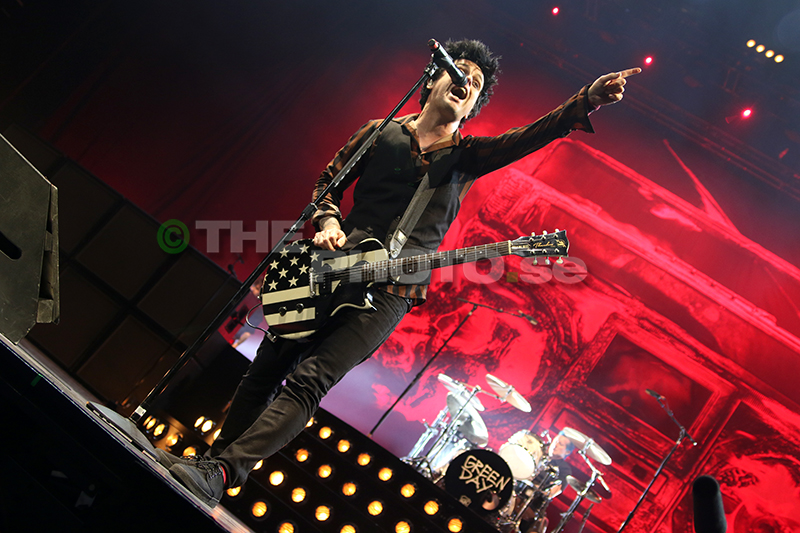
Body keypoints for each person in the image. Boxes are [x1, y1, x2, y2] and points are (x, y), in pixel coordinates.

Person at [156, 38, 640, 507]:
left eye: (476, 85)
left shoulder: (467, 156)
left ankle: (224, 472)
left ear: (473, 108)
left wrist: (586, 101)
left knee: (310, 380)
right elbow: (328, 182)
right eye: (462, 73)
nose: (468, 83)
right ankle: (210, 469)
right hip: (333, 265)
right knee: (265, 369)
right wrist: (328, 222)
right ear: (433, 80)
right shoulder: (380, 131)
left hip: (389, 292)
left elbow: (533, 134)